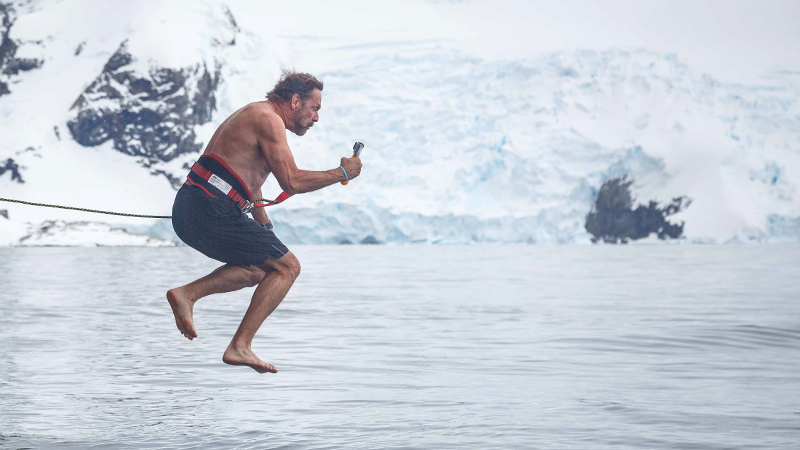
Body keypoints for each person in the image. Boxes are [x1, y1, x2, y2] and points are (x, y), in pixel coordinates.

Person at [166, 70, 362, 373]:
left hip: (195, 208)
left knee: (259, 269)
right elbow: (292, 182)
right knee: (288, 267)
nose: (316, 118)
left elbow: (252, 185)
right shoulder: (267, 118)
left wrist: (265, 228)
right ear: (295, 101)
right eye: (315, 108)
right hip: (209, 208)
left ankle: (186, 295)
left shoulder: (258, 115)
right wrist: (343, 173)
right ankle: (239, 347)